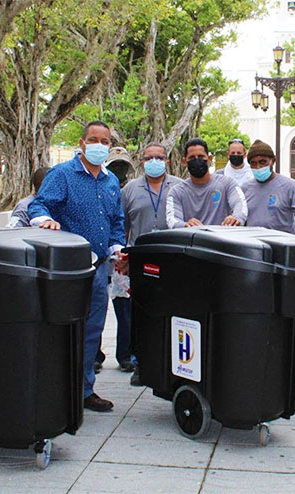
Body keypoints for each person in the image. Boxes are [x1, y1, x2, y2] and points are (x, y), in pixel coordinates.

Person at [28, 120, 125, 413]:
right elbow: (38, 205)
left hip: (99, 267)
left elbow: (116, 221)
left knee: (92, 331)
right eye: (93, 139)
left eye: (105, 141)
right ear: (82, 144)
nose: (99, 145)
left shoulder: (110, 181)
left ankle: (84, 390)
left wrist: (117, 248)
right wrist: (44, 220)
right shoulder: (62, 175)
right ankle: (57, 391)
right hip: (68, 269)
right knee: (63, 328)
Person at [121, 142, 183, 386]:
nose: (154, 162)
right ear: (142, 161)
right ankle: (140, 363)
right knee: (140, 313)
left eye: (159, 157)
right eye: (149, 158)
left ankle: (171, 362)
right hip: (141, 259)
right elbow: (122, 225)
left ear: (167, 161)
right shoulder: (130, 190)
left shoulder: (179, 186)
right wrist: (122, 257)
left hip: (172, 258)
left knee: (172, 310)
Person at [242, 139, 295, 267]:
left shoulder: (290, 186)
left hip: (284, 254)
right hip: (255, 254)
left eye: (263, 162)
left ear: (273, 161)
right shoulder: (244, 189)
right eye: (253, 164)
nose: (258, 167)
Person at [94, 146, 135, 374]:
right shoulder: (99, 187)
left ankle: (125, 355)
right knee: (96, 312)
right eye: (114, 165)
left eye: (122, 166)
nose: (118, 170)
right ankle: (95, 355)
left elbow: (124, 224)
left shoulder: (127, 190)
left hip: (120, 260)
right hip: (99, 259)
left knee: (124, 312)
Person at [166, 137, 247, 228]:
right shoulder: (176, 192)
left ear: (209, 159)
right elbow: (172, 220)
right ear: (184, 162)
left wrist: (236, 218)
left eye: (201, 157)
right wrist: (185, 225)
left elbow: (240, 205)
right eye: (192, 158)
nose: (197, 161)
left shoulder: (228, 183)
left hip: (222, 239)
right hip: (192, 239)